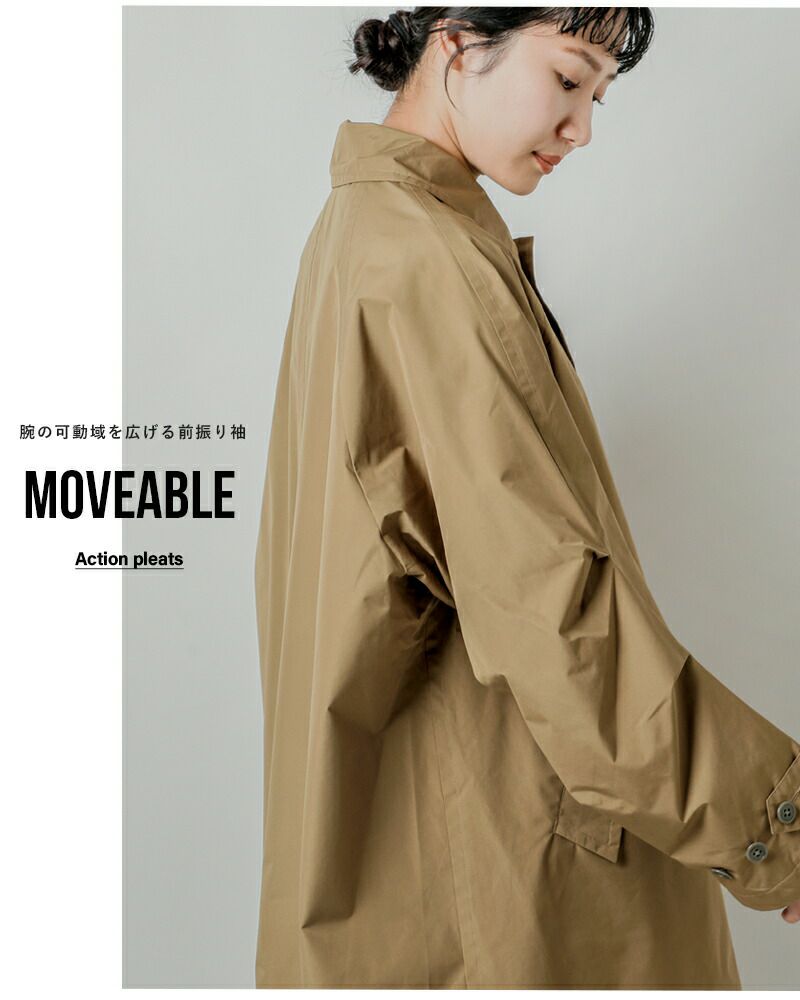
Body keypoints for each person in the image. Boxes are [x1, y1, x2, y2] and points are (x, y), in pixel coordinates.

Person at [253, 7, 800, 988]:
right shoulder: (426, 259)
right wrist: (774, 825)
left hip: (422, 860)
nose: (581, 127)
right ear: (459, 42)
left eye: (598, 96)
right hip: (504, 881)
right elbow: (554, 615)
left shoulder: (367, 230)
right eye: (568, 78)